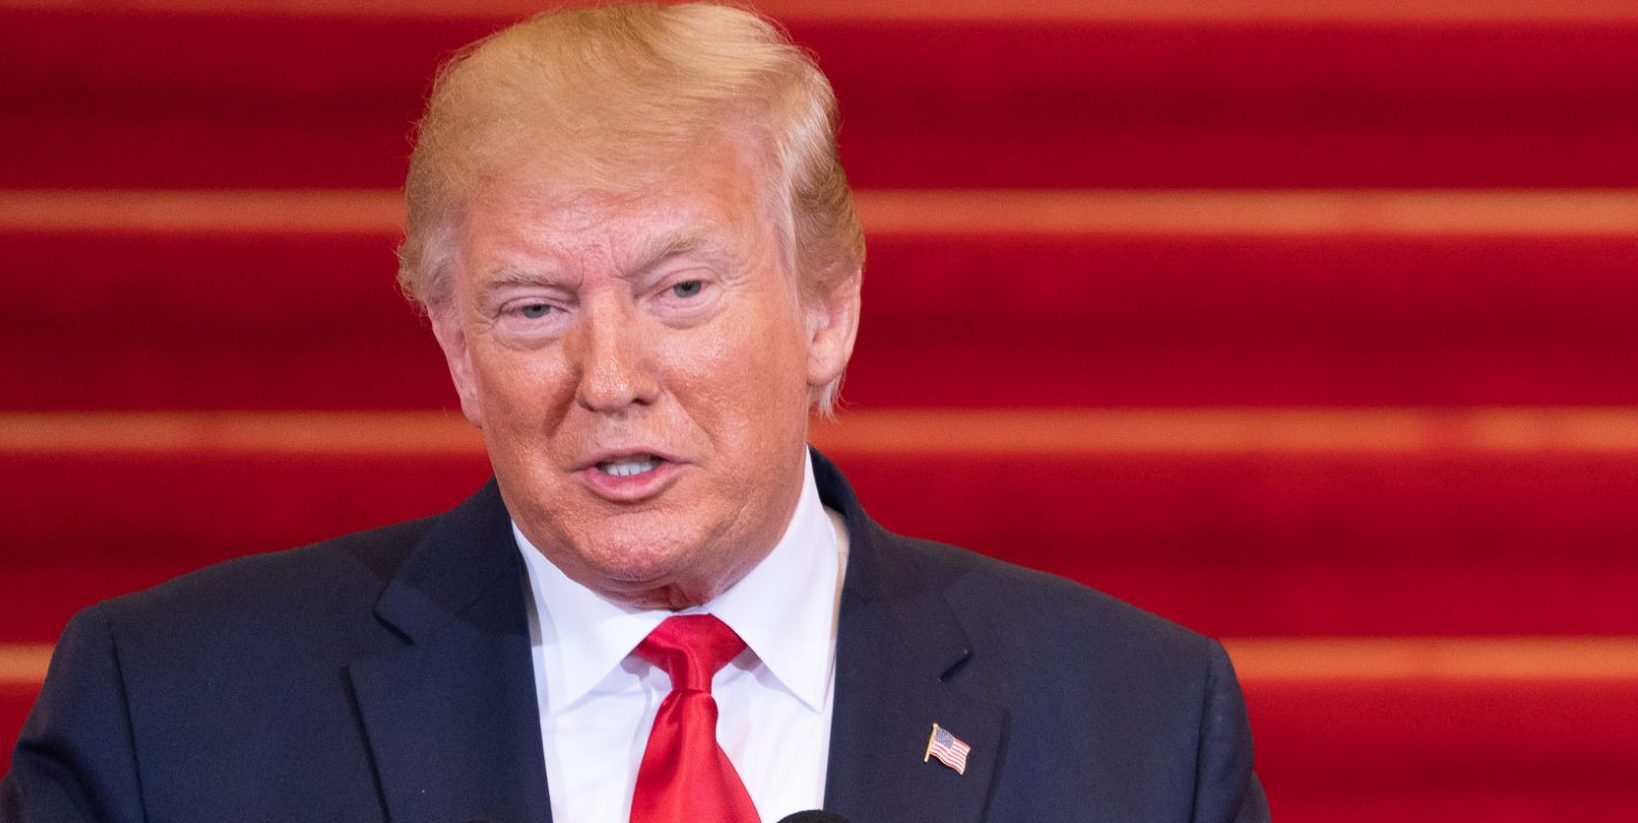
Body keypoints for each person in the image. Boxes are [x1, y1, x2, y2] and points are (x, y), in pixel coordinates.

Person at [1, 4, 1268, 822]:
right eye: (534, 309)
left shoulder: (1138, 727)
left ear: (826, 310)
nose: (610, 378)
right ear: (454, 350)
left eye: (681, 289)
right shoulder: (165, 718)